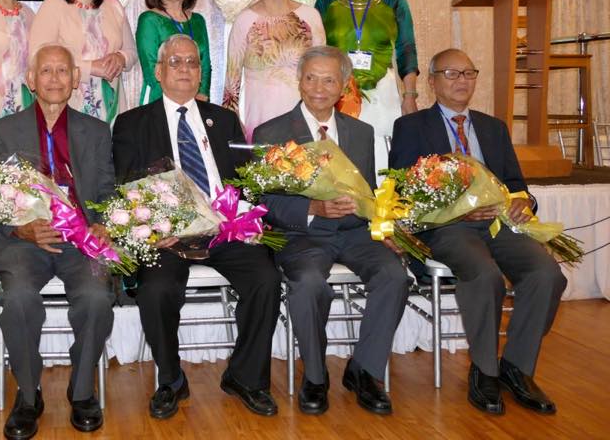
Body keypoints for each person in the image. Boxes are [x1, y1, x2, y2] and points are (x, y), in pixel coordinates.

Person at [112, 34, 282, 420]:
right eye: (175, 62)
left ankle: (245, 377)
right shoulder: (132, 123)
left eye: (192, 62)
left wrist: (246, 216)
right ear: (158, 72)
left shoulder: (224, 120)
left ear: (201, 72)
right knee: (156, 288)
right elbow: (126, 185)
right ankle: (171, 380)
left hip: (224, 229)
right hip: (169, 234)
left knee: (266, 279)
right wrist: (155, 225)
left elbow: (245, 182)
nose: (185, 69)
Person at [390, 48, 567, 416]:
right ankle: (484, 371)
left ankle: (516, 368)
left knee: (547, 273)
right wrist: (456, 208)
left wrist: (524, 202)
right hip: (450, 229)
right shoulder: (411, 127)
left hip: (501, 224)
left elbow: (517, 184)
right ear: (432, 81)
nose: (462, 81)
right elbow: (404, 192)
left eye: (469, 73)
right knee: (485, 275)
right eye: (452, 74)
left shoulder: (493, 127)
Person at [252, 45, 409, 416]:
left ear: (344, 86)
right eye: (311, 78)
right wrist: (312, 207)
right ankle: (315, 376)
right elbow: (264, 201)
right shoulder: (271, 132)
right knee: (308, 284)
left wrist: (384, 226)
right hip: (302, 236)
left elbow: (368, 189)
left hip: (355, 233)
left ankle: (364, 371)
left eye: (329, 80)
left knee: (394, 276)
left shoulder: (361, 132)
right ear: (299, 81)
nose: (319, 88)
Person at [0, 44, 116, 439]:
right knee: (18, 297)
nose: (55, 78)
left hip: (80, 239)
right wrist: (21, 228)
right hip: (25, 240)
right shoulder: (3, 131)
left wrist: (103, 224)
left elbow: (107, 190)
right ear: (30, 80)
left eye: (63, 70)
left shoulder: (96, 131)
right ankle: (28, 395)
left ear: (76, 79)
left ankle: (82, 390)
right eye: (46, 71)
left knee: (96, 296)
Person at [317, 0, 419, 174]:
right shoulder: (326, 3)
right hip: (337, 93)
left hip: (383, 92)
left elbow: (406, 50)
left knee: (383, 160)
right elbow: (318, 54)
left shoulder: (395, 2)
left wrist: (409, 96)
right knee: (338, 163)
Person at [29, 0, 137, 123]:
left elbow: (131, 53)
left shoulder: (113, 5)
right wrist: (91, 67)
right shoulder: (53, 5)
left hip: (113, 110)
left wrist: (121, 58)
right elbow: (36, 58)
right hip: (69, 109)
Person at [224, 0, 325, 139]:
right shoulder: (245, 20)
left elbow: (322, 70)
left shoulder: (310, 16)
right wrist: (233, 124)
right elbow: (231, 82)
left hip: (306, 120)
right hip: (260, 121)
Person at [135, 0, 211, 105]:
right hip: (159, 101)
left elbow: (205, 65)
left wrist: (201, 96)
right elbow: (151, 70)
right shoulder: (149, 20)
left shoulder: (198, 21)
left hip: (197, 102)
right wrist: (179, 101)